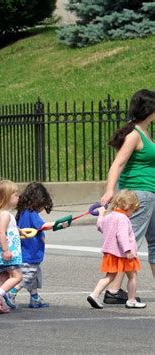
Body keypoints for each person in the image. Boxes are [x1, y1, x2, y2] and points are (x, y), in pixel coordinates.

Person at [100, 89, 155, 305]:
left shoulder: (145, 133)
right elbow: (118, 164)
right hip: (138, 195)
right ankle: (113, 290)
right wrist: (109, 190)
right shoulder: (134, 135)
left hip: (149, 194)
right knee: (129, 243)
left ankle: (114, 289)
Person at [13, 182, 68, 308]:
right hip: (30, 253)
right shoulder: (31, 213)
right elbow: (42, 226)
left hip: (26, 251)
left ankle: (35, 298)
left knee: (34, 276)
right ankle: (11, 293)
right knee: (26, 277)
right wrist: (57, 224)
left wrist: (58, 226)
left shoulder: (23, 212)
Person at [87, 190, 146, 309]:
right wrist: (128, 250)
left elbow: (100, 226)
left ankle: (94, 294)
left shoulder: (110, 216)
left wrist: (101, 214)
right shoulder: (123, 219)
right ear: (128, 206)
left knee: (109, 277)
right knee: (132, 276)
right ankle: (132, 300)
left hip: (111, 253)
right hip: (124, 255)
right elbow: (122, 235)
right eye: (133, 210)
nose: (132, 213)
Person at [0, 180, 27, 313]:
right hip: (6, 253)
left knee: (4, 278)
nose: (18, 197)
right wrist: (6, 250)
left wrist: (20, 231)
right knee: (17, 276)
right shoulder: (5, 214)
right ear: (6, 197)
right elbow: (1, 231)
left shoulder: (2, 214)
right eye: (15, 194)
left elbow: (10, 229)